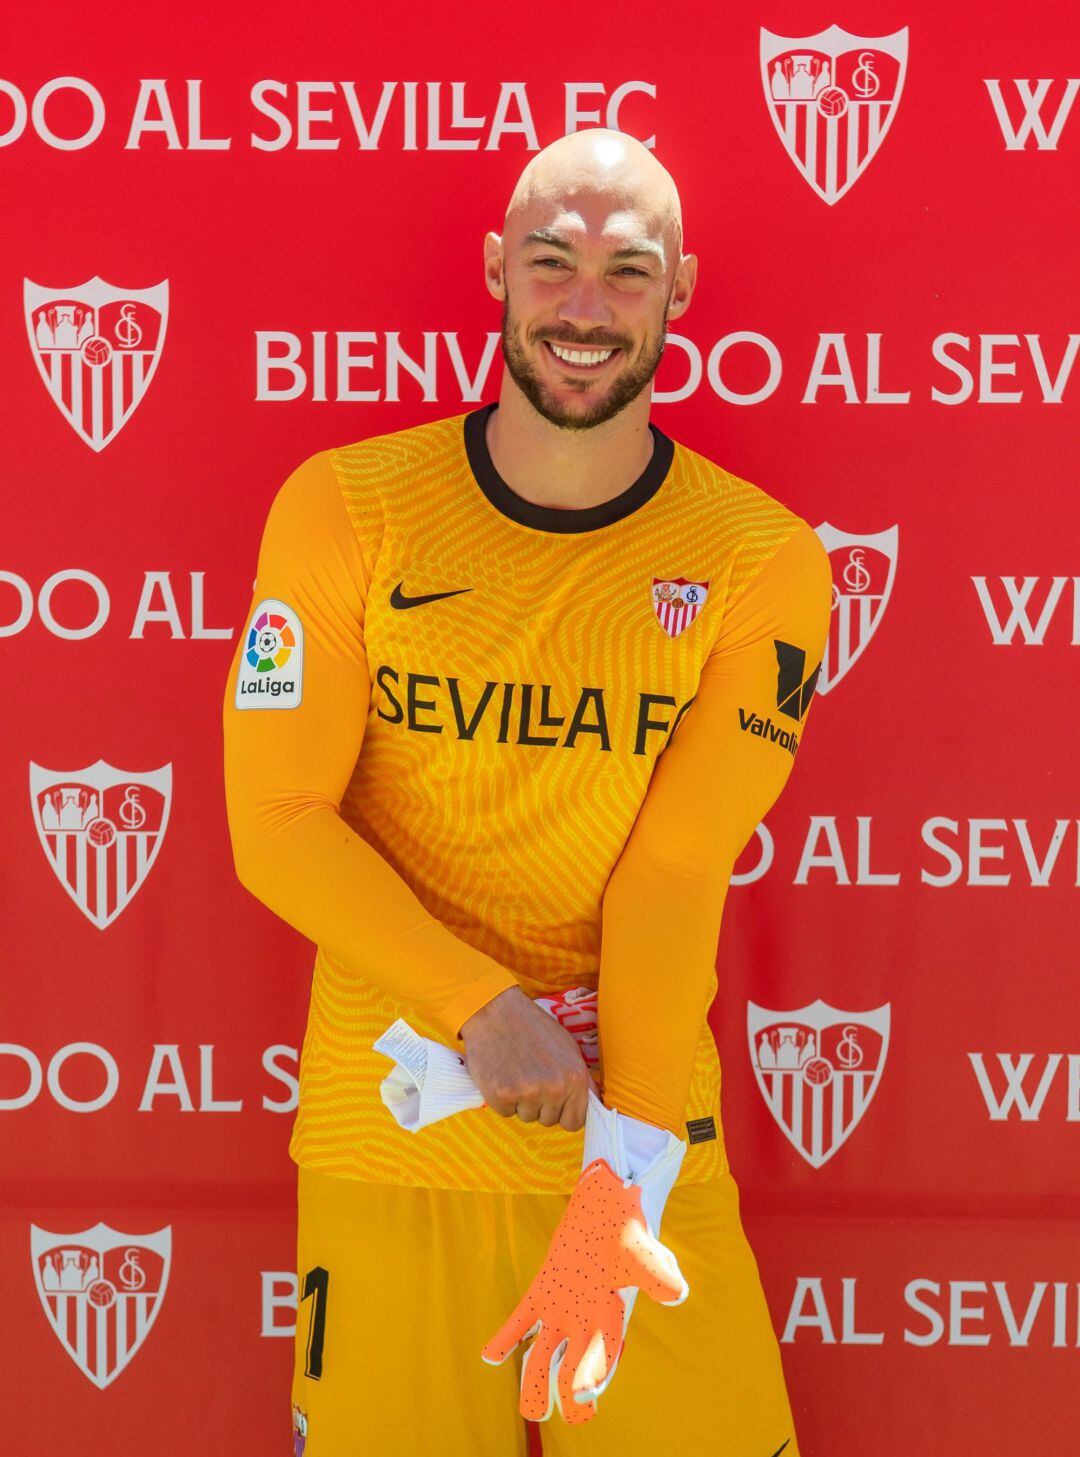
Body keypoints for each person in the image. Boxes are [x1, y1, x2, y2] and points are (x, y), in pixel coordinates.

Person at [223, 127, 831, 1457]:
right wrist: (480, 1007)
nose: (583, 307)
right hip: (394, 1149)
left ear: (681, 292)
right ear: (498, 270)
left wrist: (622, 1177)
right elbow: (274, 828)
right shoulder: (347, 509)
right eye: (552, 263)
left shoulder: (759, 560)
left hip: (633, 1144)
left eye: (627, 271)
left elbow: (673, 878)